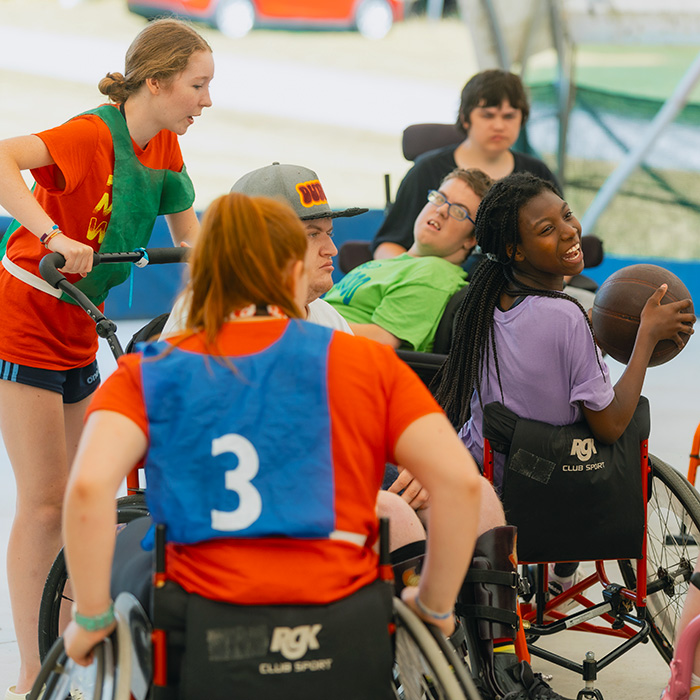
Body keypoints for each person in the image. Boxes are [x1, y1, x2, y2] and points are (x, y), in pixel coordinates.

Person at [59, 193, 483, 698]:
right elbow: (460, 484)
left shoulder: (149, 370)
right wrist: (433, 608)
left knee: (132, 541)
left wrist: (89, 617)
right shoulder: (364, 364)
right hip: (343, 622)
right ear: (292, 266)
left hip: (207, 623)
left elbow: (86, 490)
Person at [0, 18, 214, 698]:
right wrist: (52, 231)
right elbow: (1, 157)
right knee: (42, 502)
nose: (206, 101)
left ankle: (69, 644)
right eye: (198, 85)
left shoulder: (168, 147)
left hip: (77, 323)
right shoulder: (93, 132)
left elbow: (196, 245)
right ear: (157, 82)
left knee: (85, 494)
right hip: (26, 310)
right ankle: (36, 670)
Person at [433, 171, 695, 593]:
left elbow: (538, 379)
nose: (570, 231)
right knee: (599, 443)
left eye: (567, 215)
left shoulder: (486, 302)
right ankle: (561, 575)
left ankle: (549, 577)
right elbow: (609, 426)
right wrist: (645, 335)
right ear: (515, 250)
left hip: (485, 473)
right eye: (546, 229)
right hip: (557, 486)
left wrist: (594, 342)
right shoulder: (566, 316)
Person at [371, 69, 559, 260]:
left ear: (522, 119)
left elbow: (564, 243)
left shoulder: (537, 175)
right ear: (465, 117)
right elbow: (388, 244)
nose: (499, 126)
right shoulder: (427, 170)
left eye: (509, 116)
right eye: (488, 115)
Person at [161, 162, 362, 337]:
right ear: (259, 244)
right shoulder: (199, 316)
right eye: (312, 234)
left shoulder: (328, 317)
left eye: (330, 233)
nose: (332, 250)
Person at [324, 168, 492, 352]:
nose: (442, 209)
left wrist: (306, 325)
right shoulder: (397, 263)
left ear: (471, 240)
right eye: (440, 198)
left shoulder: (433, 273)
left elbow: (382, 340)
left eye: (459, 211)